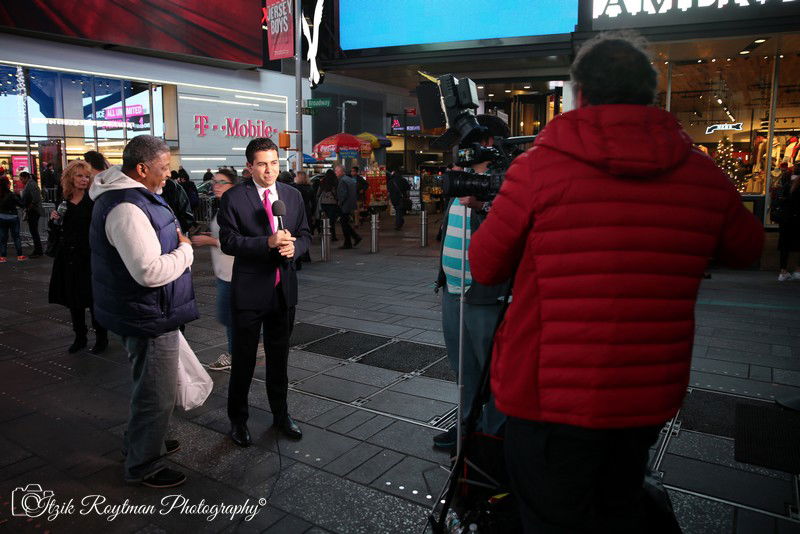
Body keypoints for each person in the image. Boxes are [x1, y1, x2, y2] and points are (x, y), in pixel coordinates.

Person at [468, 32, 764, 533]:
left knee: (547, 516)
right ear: (650, 96)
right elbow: (748, 248)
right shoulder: (700, 173)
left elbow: (485, 266)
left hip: (548, 399)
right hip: (643, 395)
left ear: (579, 95)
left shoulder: (538, 168)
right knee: (617, 510)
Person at [89, 135, 198, 488]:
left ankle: (142, 441)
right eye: (164, 168)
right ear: (141, 168)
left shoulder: (135, 198)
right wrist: (185, 253)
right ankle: (143, 464)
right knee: (156, 394)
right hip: (145, 314)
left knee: (150, 388)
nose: (169, 174)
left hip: (144, 310)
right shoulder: (126, 207)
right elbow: (148, 272)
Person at [218, 137, 311, 447]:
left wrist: (295, 248)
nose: (270, 170)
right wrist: (266, 243)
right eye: (262, 164)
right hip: (249, 291)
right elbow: (229, 241)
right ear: (249, 167)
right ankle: (238, 420)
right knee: (243, 360)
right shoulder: (234, 198)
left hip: (283, 291)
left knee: (279, 359)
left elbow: (307, 235)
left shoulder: (292, 196)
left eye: (274, 163)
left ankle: (281, 415)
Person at [432, 115, 510, 452]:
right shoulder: (460, 180)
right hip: (452, 289)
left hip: (485, 295)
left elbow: (511, 235)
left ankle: (492, 435)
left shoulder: (507, 184)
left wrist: (484, 207)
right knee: (463, 367)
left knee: (492, 370)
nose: (458, 151)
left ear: (487, 144)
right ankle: (466, 424)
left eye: (465, 144)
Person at [48, 160, 108, 354]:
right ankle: (80, 337)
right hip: (68, 256)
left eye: (86, 176)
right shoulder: (64, 201)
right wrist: (54, 221)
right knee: (73, 299)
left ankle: (101, 338)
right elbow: (57, 231)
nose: (84, 179)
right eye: (79, 176)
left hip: (89, 256)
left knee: (93, 299)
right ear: (70, 178)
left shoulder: (93, 201)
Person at [192, 168, 239, 370]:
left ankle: (235, 354)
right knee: (230, 317)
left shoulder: (234, 207)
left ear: (233, 186)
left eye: (221, 182)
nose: (216, 186)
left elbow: (237, 241)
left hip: (233, 273)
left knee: (229, 317)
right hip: (224, 272)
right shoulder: (224, 207)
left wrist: (209, 240)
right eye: (214, 182)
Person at [774, 163, 800, 281]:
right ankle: (798, 270)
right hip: (796, 218)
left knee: (784, 245)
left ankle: (783, 271)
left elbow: (779, 198)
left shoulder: (785, 181)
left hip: (785, 218)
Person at [291, 170, 315, 269]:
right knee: (305, 233)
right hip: (308, 211)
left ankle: (300, 258)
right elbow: (314, 201)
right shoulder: (310, 188)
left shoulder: (295, 188)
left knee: (297, 234)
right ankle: (306, 255)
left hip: (298, 212)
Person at [335, 164, 361, 249]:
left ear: (341, 171)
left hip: (345, 205)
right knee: (345, 223)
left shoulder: (342, 181)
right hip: (351, 204)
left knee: (344, 224)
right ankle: (352, 239)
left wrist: (340, 203)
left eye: (337, 171)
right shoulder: (350, 179)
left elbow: (343, 194)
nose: (335, 173)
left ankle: (351, 240)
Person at [0, 175, 25, 263]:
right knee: (16, 236)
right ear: (8, 184)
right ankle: (20, 255)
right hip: (13, 216)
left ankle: (3, 256)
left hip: (2, 217)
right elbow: (21, 204)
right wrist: (19, 195)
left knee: (3, 238)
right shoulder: (12, 195)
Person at [20, 171, 43, 257]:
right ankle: (37, 250)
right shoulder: (30, 184)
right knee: (33, 231)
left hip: (34, 211)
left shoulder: (31, 184)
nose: (21, 181)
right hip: (32, 210)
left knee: (34, 232)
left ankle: (38, 250)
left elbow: (36, 197)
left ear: (26, 178)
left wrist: (30, 207)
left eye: (22, 179)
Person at [317, 169, 340, 242]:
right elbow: (337, 193)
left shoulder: (323, 182)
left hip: (323, 203)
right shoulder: (335, 182)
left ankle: (323, 234)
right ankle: (333, 236)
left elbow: (318, 193)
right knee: (332, 220)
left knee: (323, 219)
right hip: (332, 203)